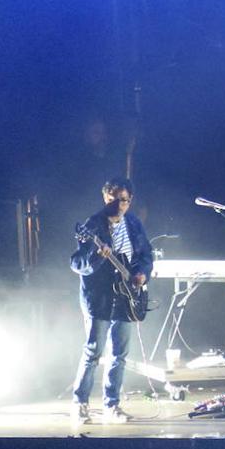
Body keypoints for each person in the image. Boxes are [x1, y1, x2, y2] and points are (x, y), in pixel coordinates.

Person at [70, 177, 152, 425]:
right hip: (100, 298)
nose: (120, 205)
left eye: (124, 200)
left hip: (126, 297)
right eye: (115, 199)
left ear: (131, 201)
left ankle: (112, 405)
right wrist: (97, 256)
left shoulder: (134, 224)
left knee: (119, 354)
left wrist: (141, 274)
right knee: (94, 352)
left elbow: (145, 254)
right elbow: (76, 263)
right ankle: (80, 403)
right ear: (105, 197)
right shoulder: (92, 226)